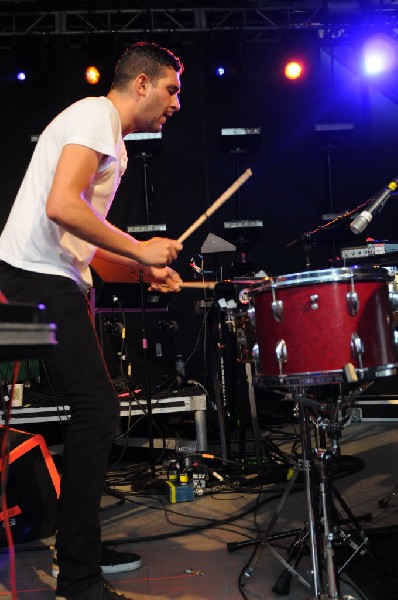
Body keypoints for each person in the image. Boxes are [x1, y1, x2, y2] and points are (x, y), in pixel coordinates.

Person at [0, 42, 184, 600]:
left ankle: (78, 545)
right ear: (144, 84)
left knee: (92, 408)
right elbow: (62, 205)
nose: (177, 104)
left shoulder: (115, 145)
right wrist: (143, 249)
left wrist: (140, 271)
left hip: (40, 281)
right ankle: (78, 577)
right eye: (172, 90)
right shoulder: (95, 115)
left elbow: (84, 243)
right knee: (97, 408)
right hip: (31, 283)